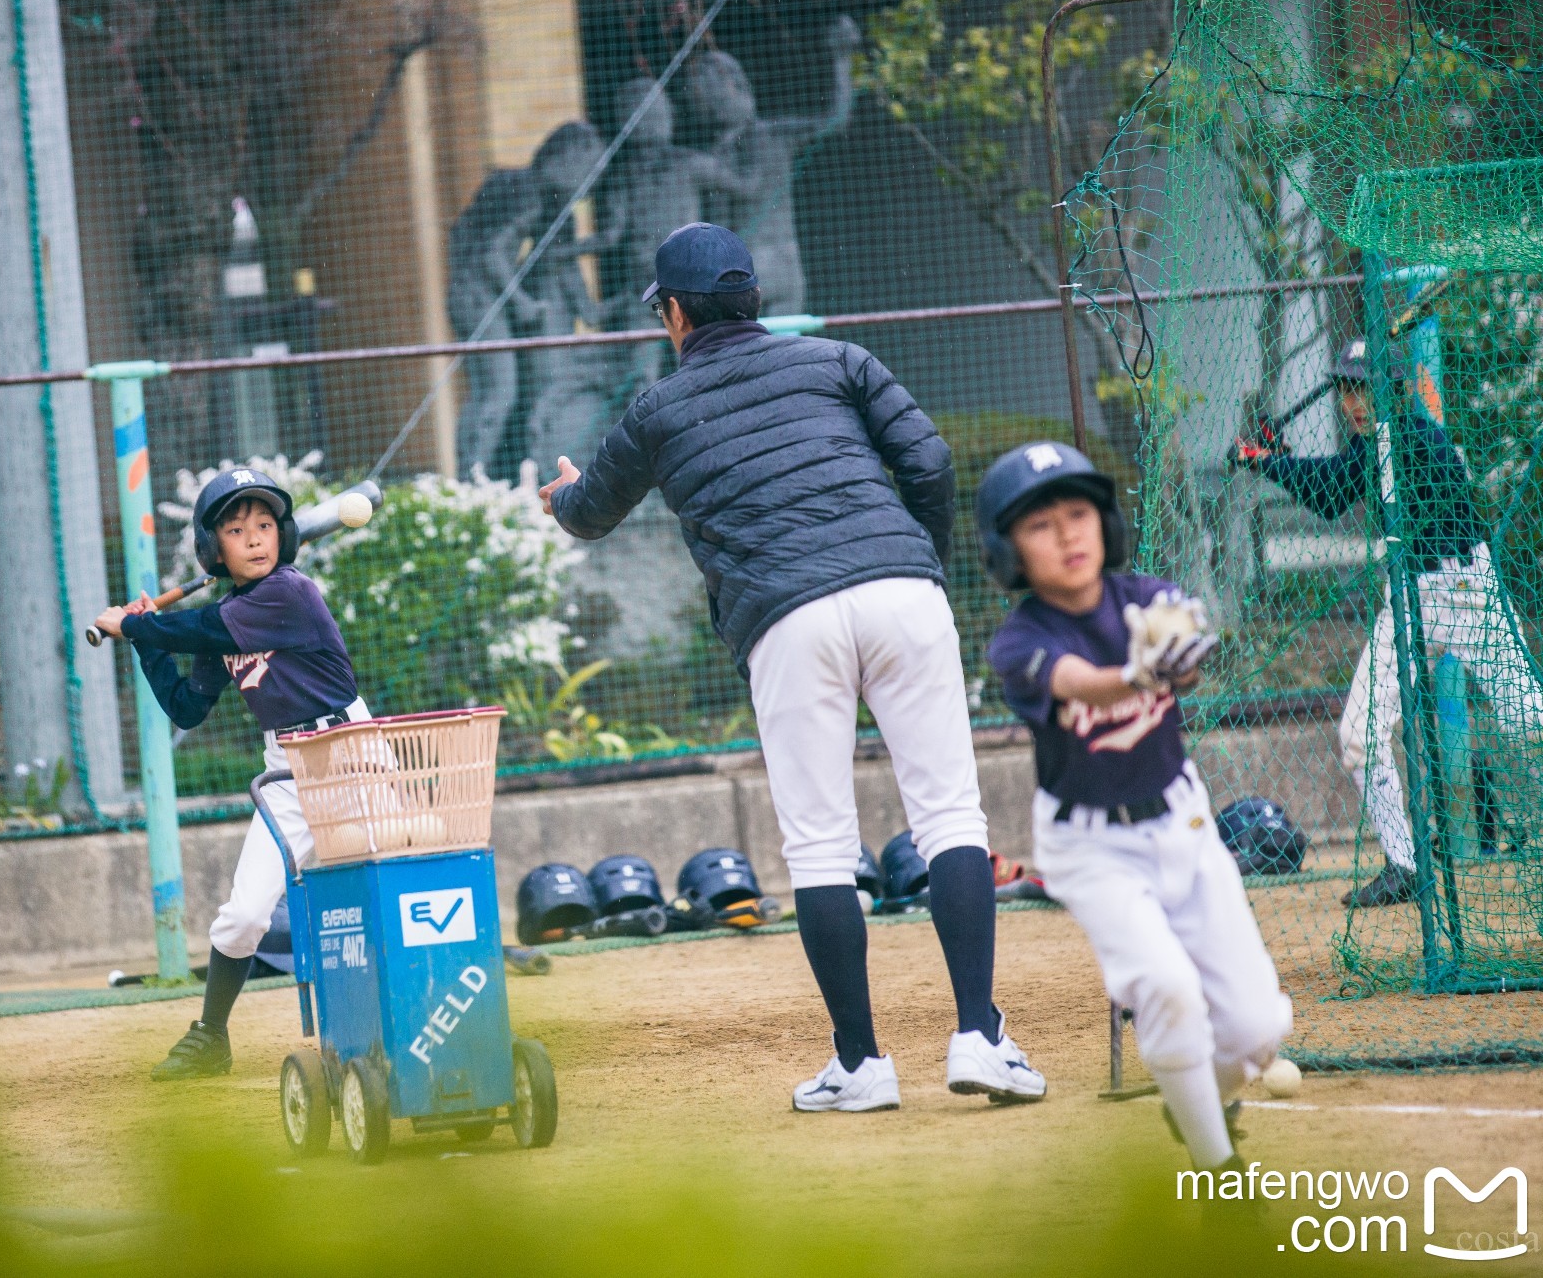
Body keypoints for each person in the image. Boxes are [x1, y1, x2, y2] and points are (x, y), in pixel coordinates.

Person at [539, 221, 1046, 1114]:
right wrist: (911, 560)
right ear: (754, 301)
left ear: (675, 314)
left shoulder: (658, 409)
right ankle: (981, 1036)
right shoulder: (836, 360)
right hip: (902, 593)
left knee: (818, 843)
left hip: (786, 615)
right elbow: (927, 456)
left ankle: (861, 1064)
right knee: (950, 814)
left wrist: (561, 494)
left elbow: (589, 514)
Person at [980, 440, 1292, 1169]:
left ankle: (1198, 1103)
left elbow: (1180, 632)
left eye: (1079, 512)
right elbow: (1081, 681)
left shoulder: (1147, 597)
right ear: (1009, 551)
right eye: (1039, 524)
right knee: (1168, 988)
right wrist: (1135, 671)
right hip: (1091, 849)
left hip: (1183, 820)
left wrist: (1180, 649)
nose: (1067, 534)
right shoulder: (1019, 641)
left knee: (1255, 1027)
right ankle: (1222, 1177)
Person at [1233, 339, 1543, 908]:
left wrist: (1266, 460)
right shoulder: (1371, 443)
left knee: (1529, 722)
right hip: (1408, 600)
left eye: (1367, 386)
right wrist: (1273, 461)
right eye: (1348, 386)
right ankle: (1403, 863)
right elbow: (1333, 492)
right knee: (1358, 735)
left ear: (1394, 389)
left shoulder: (1412, 435)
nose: (1355, 399)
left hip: (1468, 592)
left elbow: (1332, 485)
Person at [92, 467, 370, 1080]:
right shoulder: (230, 617)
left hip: (353, 758)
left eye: (266, 525)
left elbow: (195, 627)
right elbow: (188, 706)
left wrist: (138, 624)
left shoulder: (290, 593)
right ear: (212, 549)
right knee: (244, 916)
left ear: (284, 536)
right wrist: (146, 641)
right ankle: (210, 1036)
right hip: (287, 775)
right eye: (237, 529)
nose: (254, 538)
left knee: (391, 887)